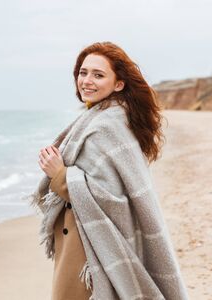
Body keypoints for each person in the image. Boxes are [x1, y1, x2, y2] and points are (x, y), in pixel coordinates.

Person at [32, 42, 189, 300]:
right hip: (83, 235)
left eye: (98, 74)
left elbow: (112, 198)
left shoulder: (106, 126)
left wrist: (60, 175)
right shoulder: (102, 117)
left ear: (119, 84)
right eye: (83, 73)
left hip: (88, 247)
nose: (87, 81)